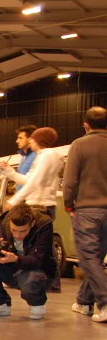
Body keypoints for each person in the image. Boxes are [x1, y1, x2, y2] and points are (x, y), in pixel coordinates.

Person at [3, 127, 63, 292]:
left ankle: (51, 283)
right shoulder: (44, 157)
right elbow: (28, 179)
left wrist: (15, 200)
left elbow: (34, 182)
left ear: (39, 140)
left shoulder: (46, 156)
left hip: (41, 205)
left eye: (33, 138)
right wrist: (9, 171)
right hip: (40, 204)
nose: (30, 140)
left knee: (44, 247)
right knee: (44, 245)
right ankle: (51, 283)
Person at [63, 106, 107, 323]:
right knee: (96, 259)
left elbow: (70, 180)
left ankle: (105, 303)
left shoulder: (79, 144)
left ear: (86, 125)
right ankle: (83, 301)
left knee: (89, 257)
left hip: (88, 210)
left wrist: (68, 204)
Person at [0, 203, 55, 320]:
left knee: (30, 279)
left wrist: (15, 259)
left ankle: (36, 302)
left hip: (37, 272)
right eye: (13, 230)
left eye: (23, 231)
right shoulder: (4, 222)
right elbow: (0, 250)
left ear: (32, 224)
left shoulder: (43, 225)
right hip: (12, 269)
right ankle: (1, 302)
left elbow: (38, 260)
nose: (17, 235)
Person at [13, 124, 38, 191]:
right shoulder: (23, 156)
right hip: (21, 198)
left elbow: (32, 182)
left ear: (30, 139)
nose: (17, 141)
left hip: (28, 198)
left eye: (20, 138)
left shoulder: (37, 156)